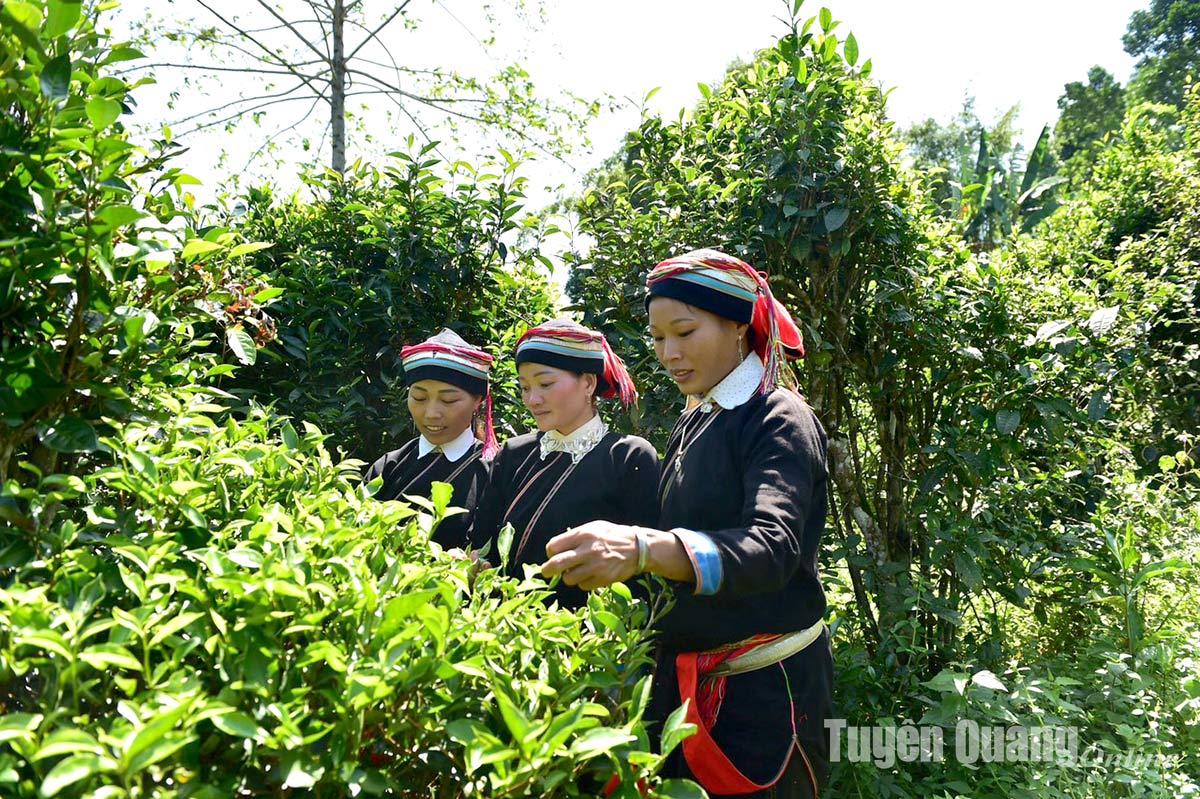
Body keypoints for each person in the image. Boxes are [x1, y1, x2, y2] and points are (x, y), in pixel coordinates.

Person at [541, 250, 833, 798]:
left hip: (768, 695)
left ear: (738, 325)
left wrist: (645, 548)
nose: (669, 354)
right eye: (656, 339)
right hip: (688, 682)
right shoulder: (696, 417)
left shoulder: (778, 417)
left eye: (684, 332)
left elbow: (772, 547)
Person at [470, 318, 660, 610]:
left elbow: (643, 573)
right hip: (504, 630)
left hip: (586, 639)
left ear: (588, 383)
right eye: (524, 387)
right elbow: (485, 544)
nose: (532, 399)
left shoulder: (628, 457)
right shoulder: (514, 454)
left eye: (545, 384)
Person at [363, 329, 497, 549]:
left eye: (448, 400)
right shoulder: (388, 467)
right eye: (419, 397)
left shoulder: (493, 472)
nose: (431, 413)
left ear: (478, 401)